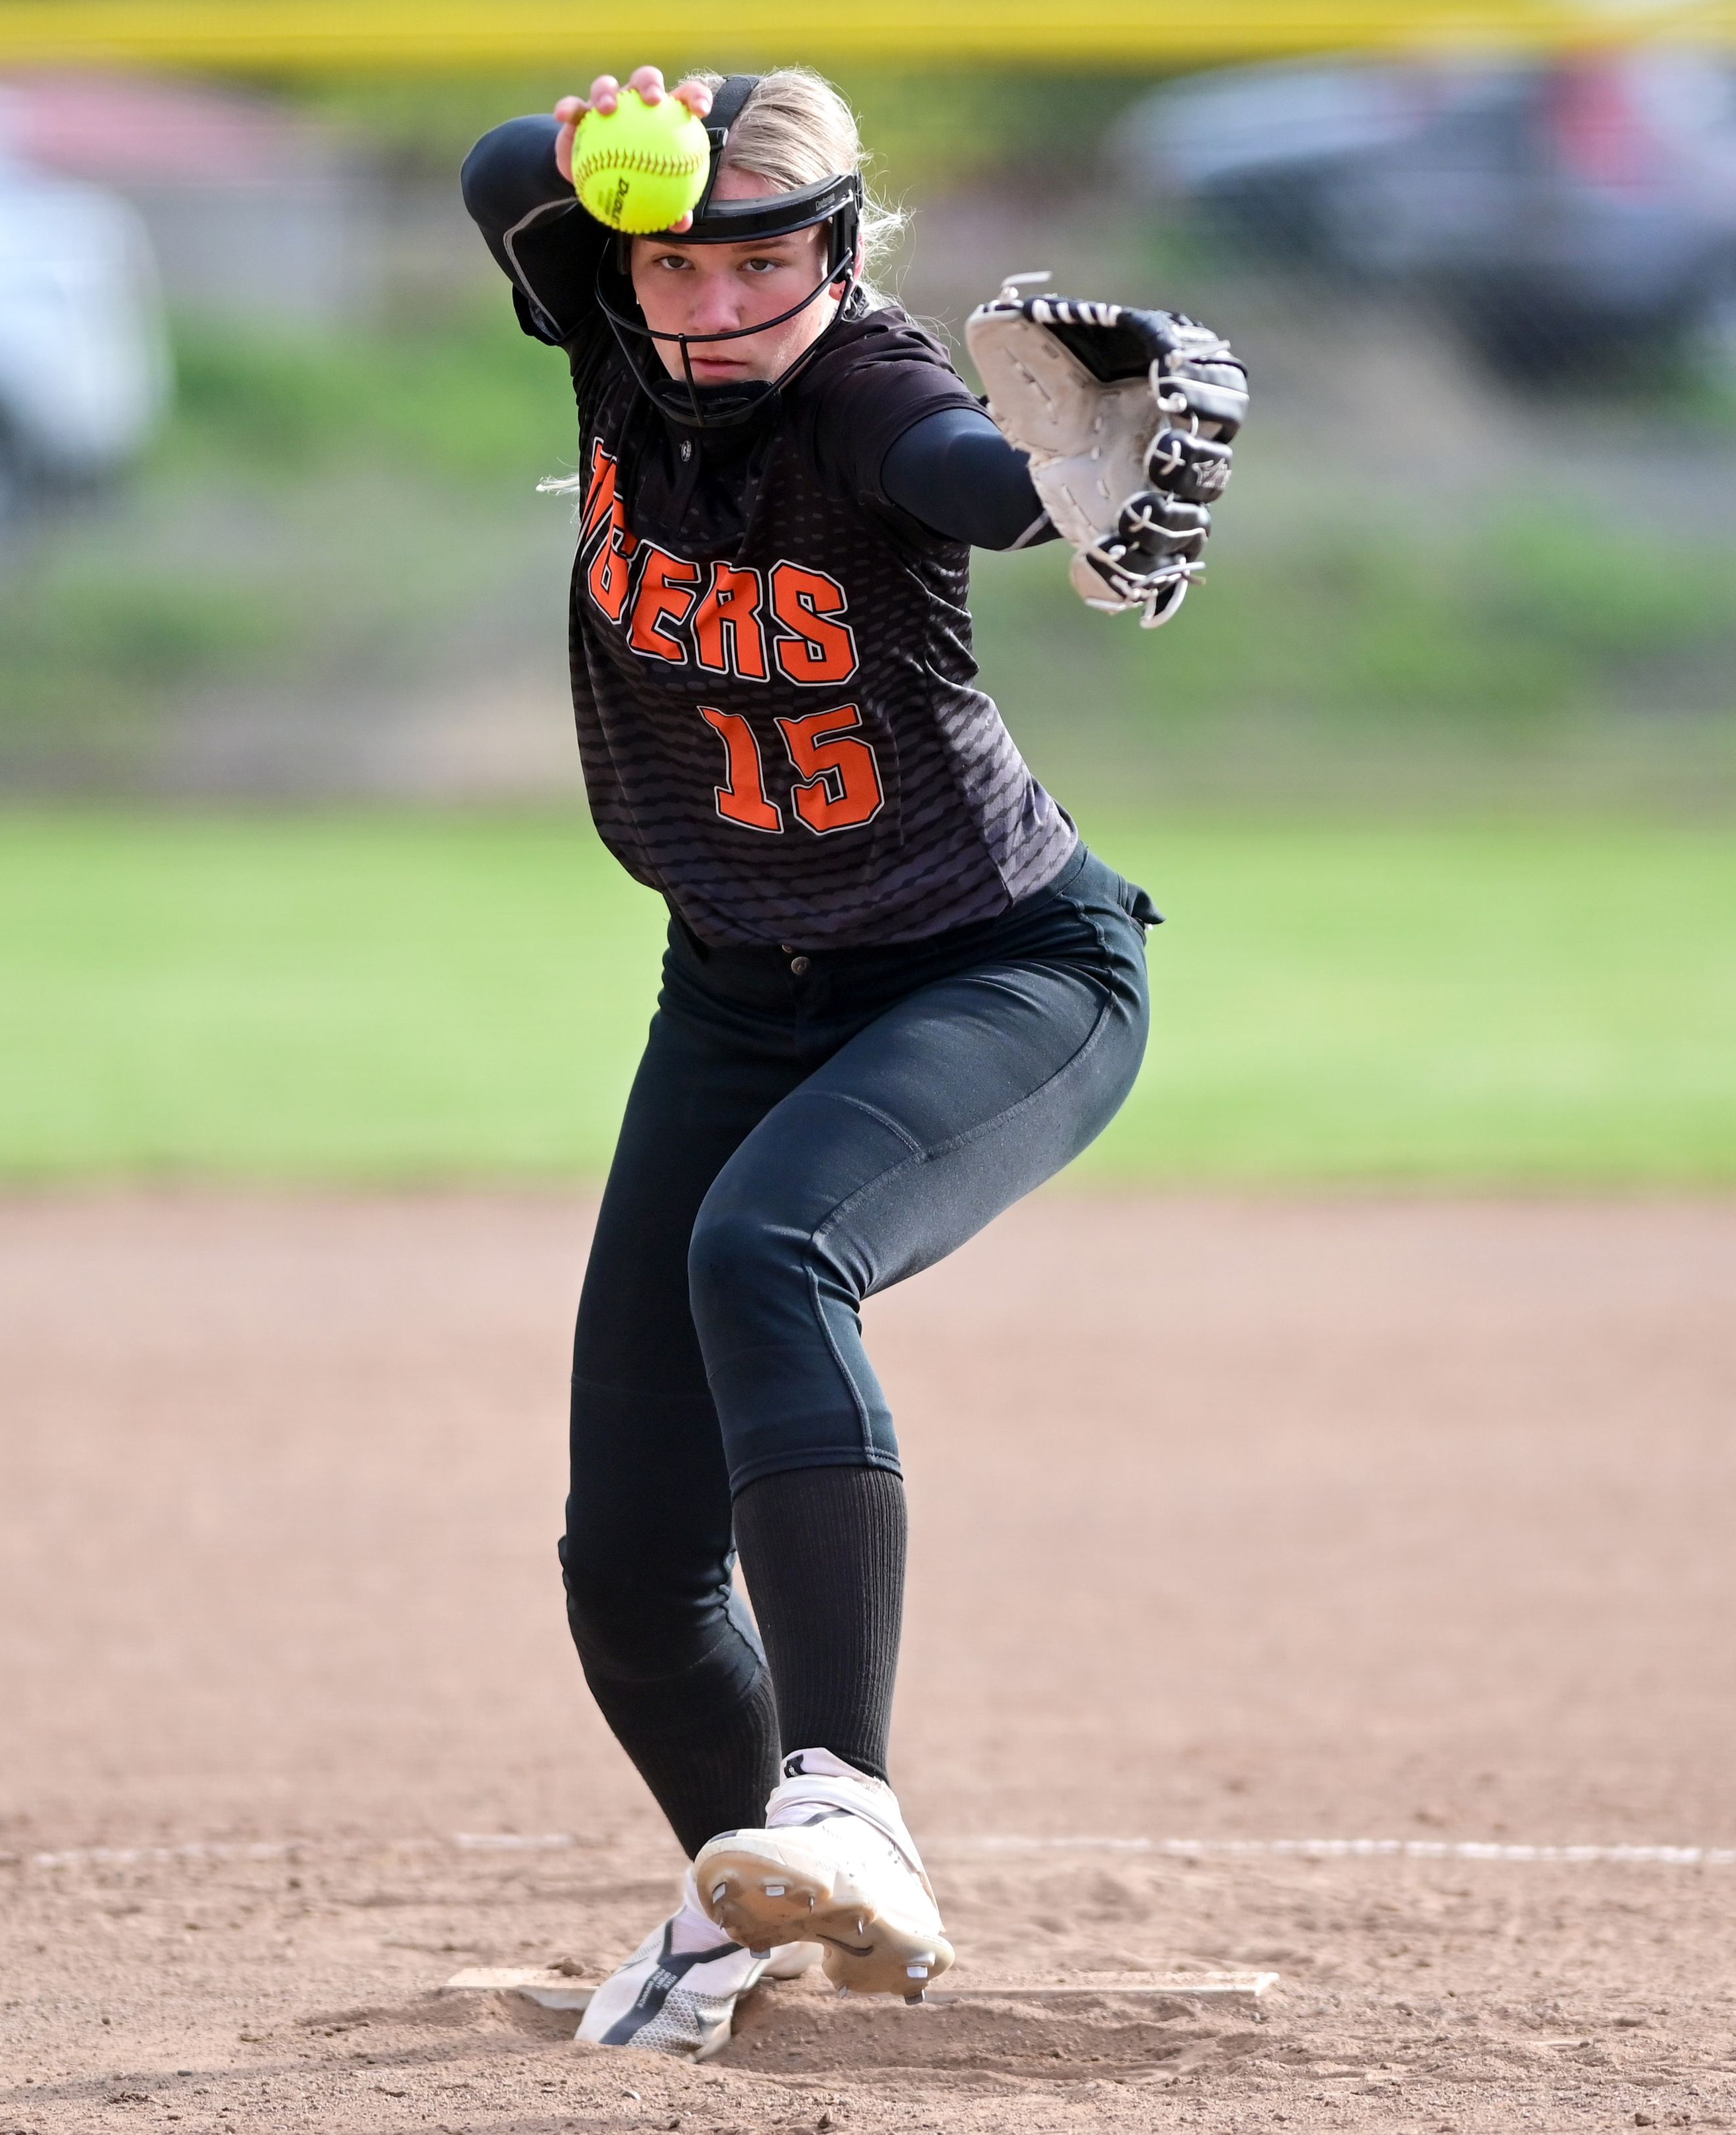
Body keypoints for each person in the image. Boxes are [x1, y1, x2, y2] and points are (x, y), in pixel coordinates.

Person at [459, 64, 1233, 2059]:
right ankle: (753, 1904)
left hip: (996, 970)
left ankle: (849, 1802)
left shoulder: (874, 394)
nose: (711, 306)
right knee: (628, 1573)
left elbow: (969, 474)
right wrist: (615, 136)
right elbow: (498, 179)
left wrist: (1075, 478)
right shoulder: (619, 344)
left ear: (849, 249)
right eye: (673, 264)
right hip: (729, 989)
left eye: (764, 260)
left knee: (766, 1252)